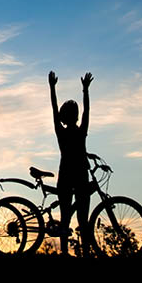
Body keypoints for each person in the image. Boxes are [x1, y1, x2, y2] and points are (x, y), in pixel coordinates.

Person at [48, 70, 94, 256]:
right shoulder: (81, 130)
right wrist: (85, 90)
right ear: (75, 116)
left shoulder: (61, 131)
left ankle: (66, 252)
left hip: (66, 174)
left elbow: (53, 108)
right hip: (80, 174)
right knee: (83, 218)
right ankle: (86, 252)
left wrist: (52, 88)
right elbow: (87, 111)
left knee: (65, 217)